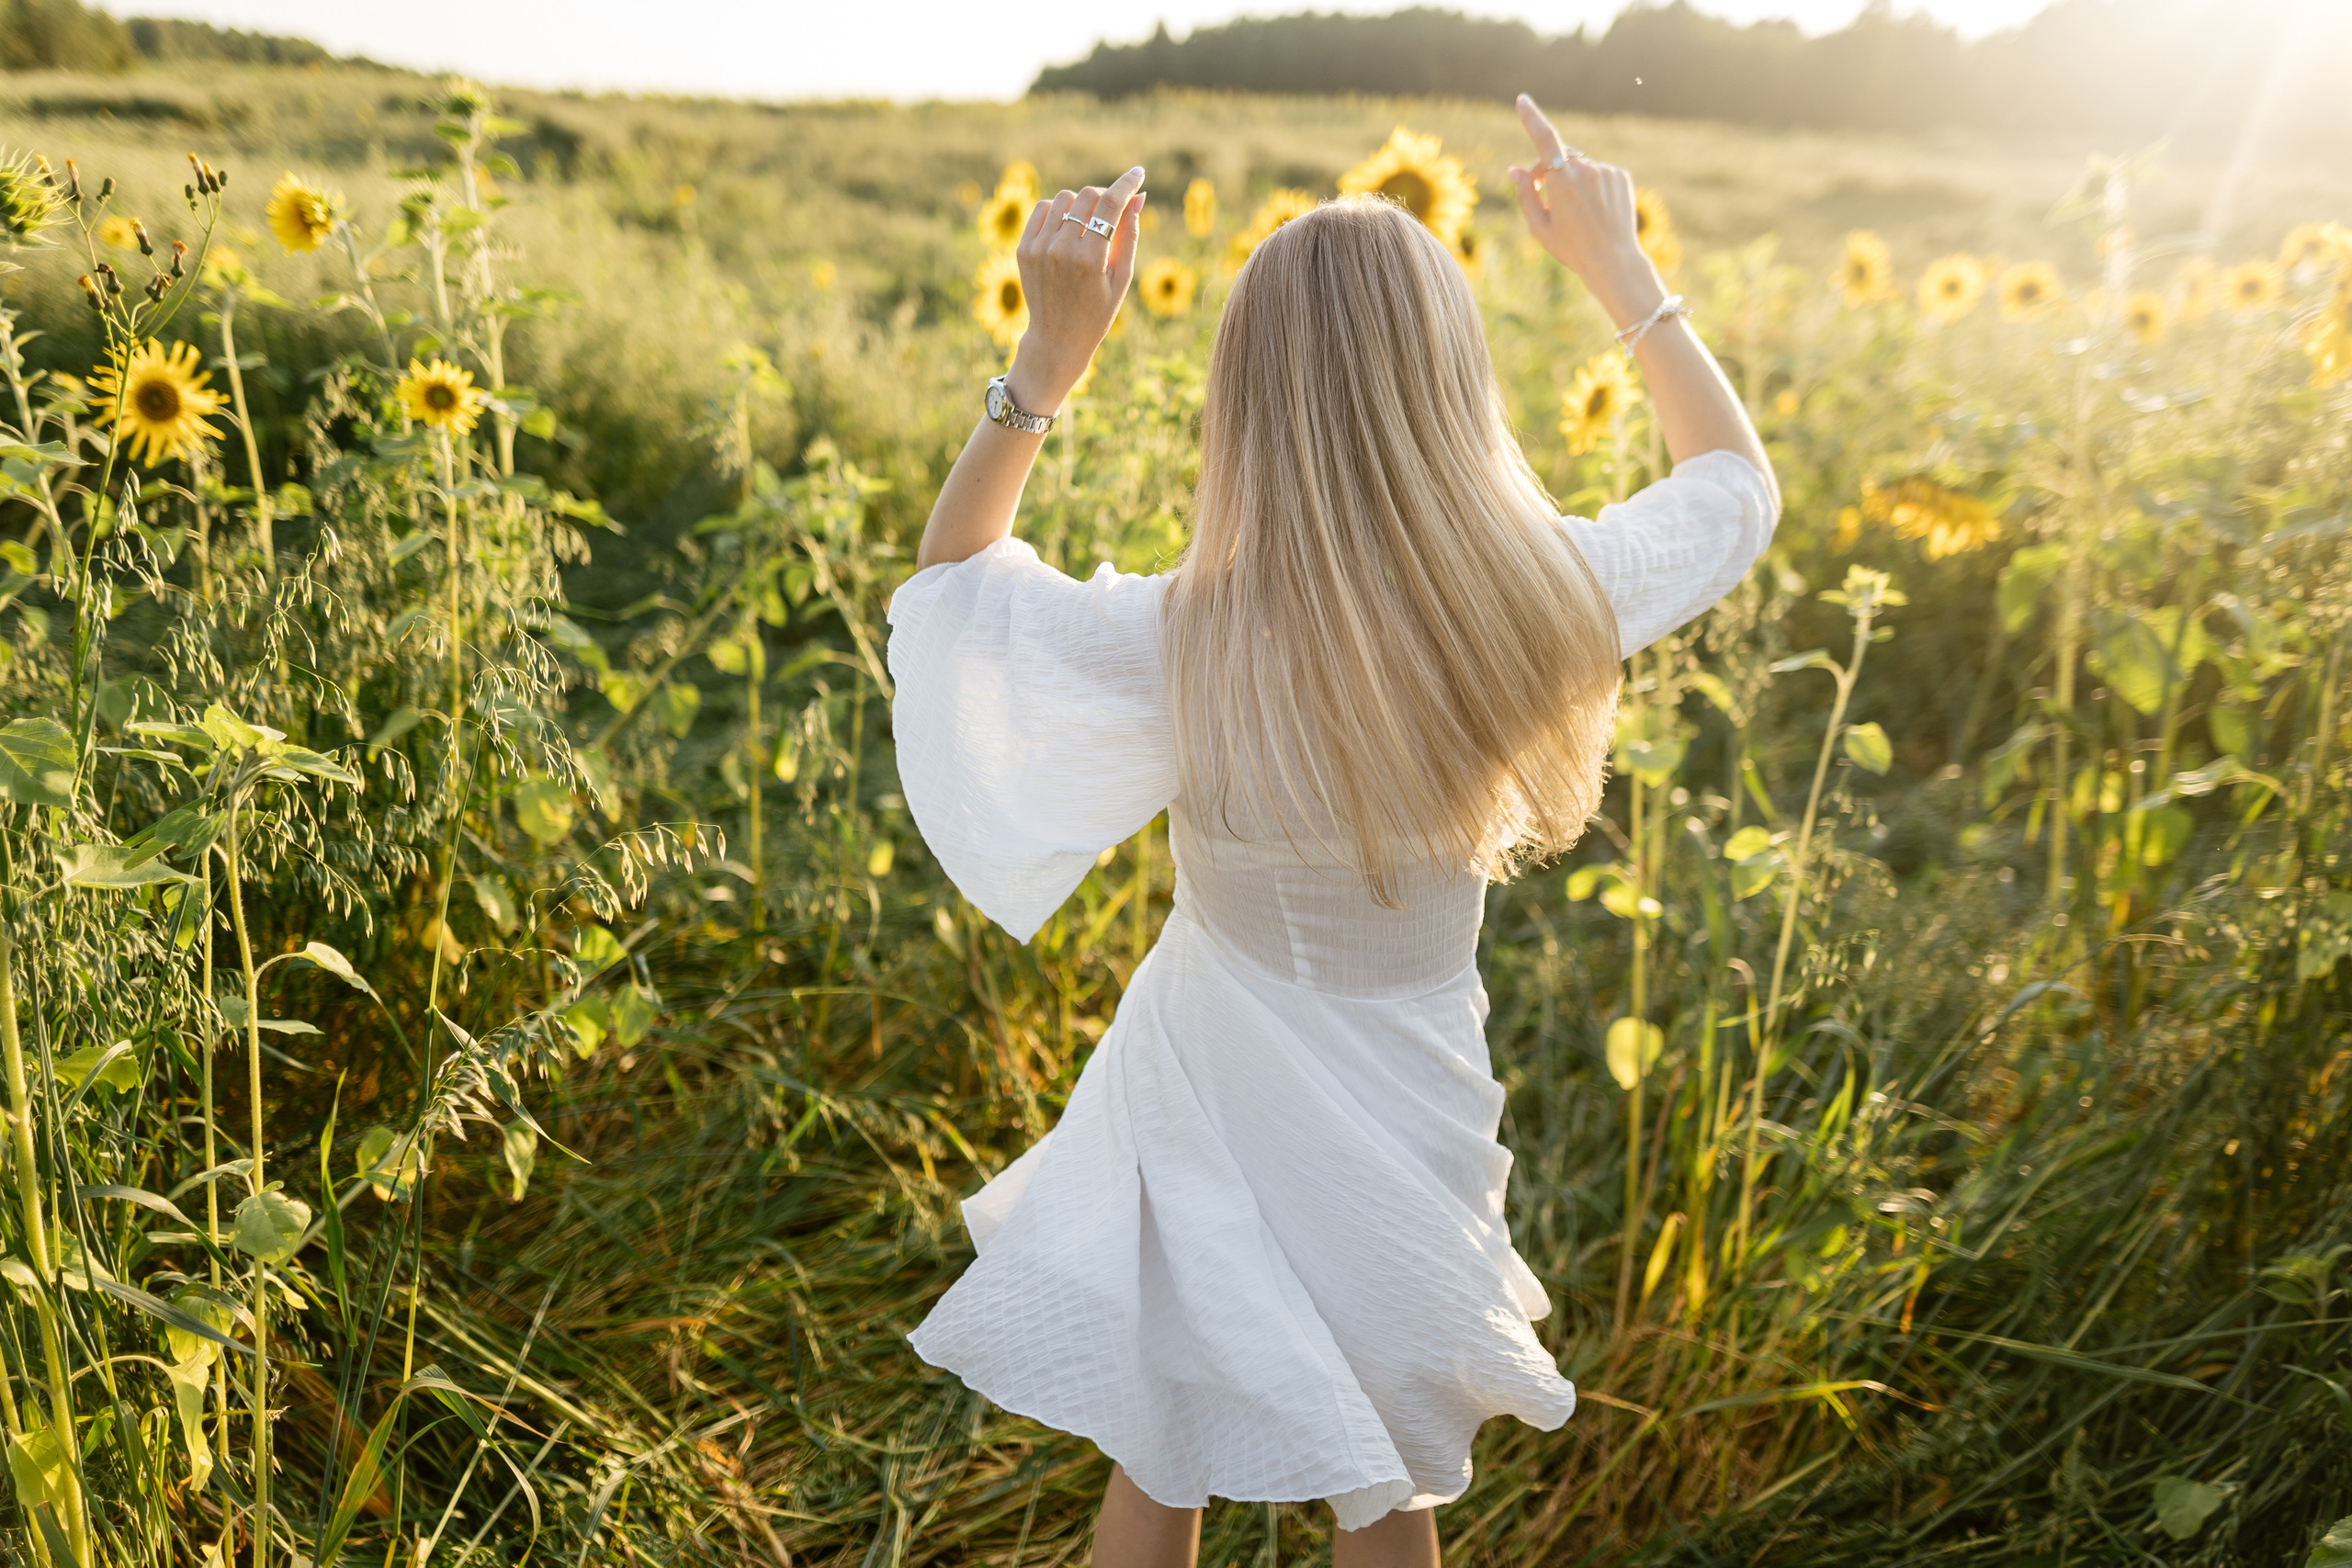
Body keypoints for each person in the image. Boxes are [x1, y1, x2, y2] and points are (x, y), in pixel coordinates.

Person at [886, 96, 1778, 1568]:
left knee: (1156, 1454)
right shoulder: (1545, 594)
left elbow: (955, 594)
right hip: (1409, 1104)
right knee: (1387, 1487)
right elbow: (1734, 495)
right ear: (1454, 383)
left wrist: (1046, 365)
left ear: (1244, 400)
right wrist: (1624, 276)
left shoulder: (1188, 636)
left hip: (1200, 1088)